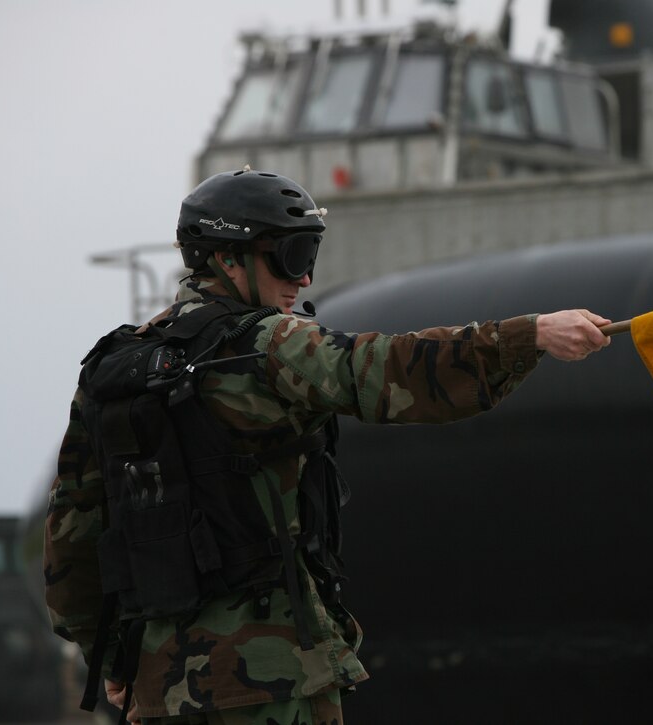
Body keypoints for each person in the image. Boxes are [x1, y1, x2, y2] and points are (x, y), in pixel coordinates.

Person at [44, 168, 611, 724]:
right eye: (290, 256)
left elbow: (71, 536)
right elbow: (391, 370)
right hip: (272, 675)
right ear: (228, 258)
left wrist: (112, 657)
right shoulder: (270, 344)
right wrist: (528, 335)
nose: (305, 279)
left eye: (308, 255)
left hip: (160, 683)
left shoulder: (114, 370)